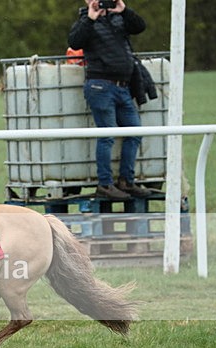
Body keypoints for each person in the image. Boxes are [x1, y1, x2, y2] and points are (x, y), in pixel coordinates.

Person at [68, 0, 151, 200]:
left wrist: (124, 10)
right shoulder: (84, 20)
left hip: (123, 86)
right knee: (107, 136)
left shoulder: (119, 18)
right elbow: (75, 41)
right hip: (100, 86)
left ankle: (126, 181)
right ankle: (105, 184)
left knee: (135, 132)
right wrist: (90, 17)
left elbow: (140, 27)